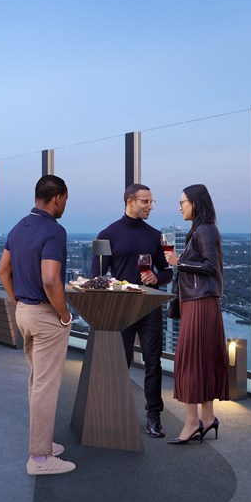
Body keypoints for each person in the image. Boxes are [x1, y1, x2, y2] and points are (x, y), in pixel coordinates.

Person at [0, 174, 76, 476]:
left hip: (25, 313)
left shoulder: (18, 227)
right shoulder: (54, 231)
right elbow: (50, 278)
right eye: (65, 199)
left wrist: (19, 302)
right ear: (57, 197)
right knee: (46, 385)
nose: (65, 204)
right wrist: (64, 314)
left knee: (36, 381)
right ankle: (40, 457)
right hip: (45, 315)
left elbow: (3, 271)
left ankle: (43, 443)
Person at [91, 184, 174, 437]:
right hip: (122, 308)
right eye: (145, 201)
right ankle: (114, 412)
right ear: (130, 201)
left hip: (149, 307)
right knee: (120, 362)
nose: (150, 206)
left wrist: (156, 279)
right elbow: (96, 276)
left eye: (152, 201)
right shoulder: (106, 234)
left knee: (153, 363)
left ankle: (153, 417)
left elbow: (168, 272)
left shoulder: (156, 235)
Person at [163, 184, 228, 445]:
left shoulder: (204, 230)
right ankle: (208, 418)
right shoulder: (199, 231)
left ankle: (192, 421)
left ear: (196, 204)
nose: (180, 207)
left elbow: (211, 267)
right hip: (197, 303)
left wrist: (179, 262)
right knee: (200, 361)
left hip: (200, 304)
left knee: (190, 361)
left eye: (183, 202)